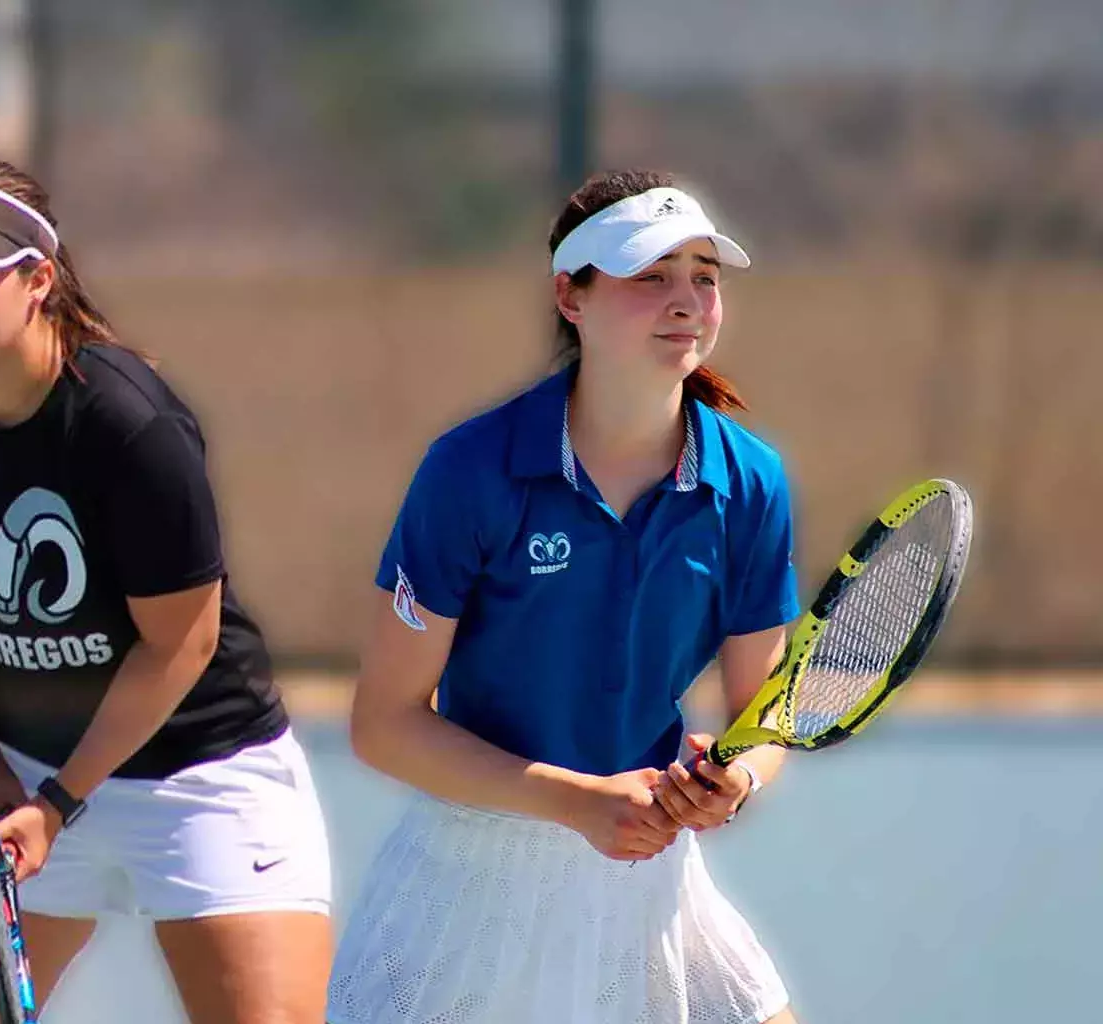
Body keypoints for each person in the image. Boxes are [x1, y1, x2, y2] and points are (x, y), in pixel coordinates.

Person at [326, 170, 802, 1024]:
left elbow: (765, 713)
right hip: (467, 882)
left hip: (654, 885)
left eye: (704, 275)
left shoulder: (751, 481)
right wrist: (576, 802)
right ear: (568, 297)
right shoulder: (469, 471)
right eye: (649, 275)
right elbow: (384, 723)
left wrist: (736, 783)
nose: (686, 299)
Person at [0, 157, 333, 1023]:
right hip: (24, 772)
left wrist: (59, 804)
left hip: (201, 780)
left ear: (39, 279)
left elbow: (181, 644)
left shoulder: (129, 424)